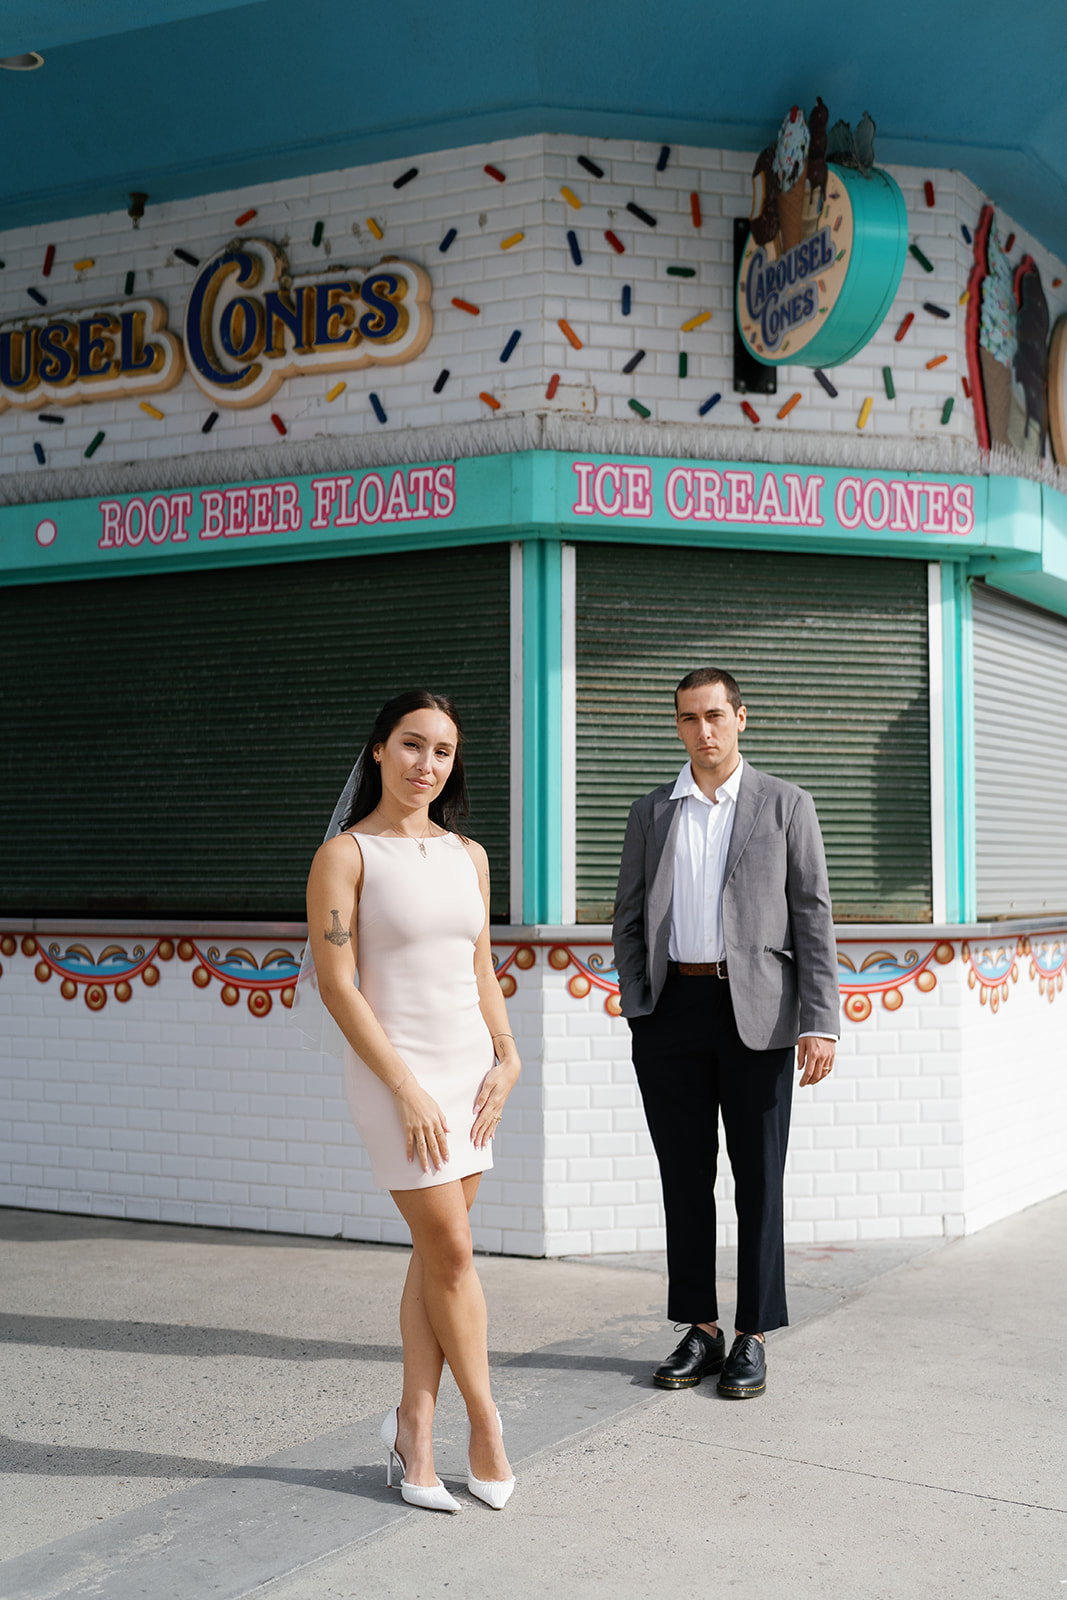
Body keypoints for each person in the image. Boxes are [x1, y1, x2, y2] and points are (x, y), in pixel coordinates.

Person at [302, 689, 520, 1510]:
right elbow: (337, 986)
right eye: (411, 745)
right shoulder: (347, 856)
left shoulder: (469, 855)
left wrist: (508, 1057)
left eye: (442, 751)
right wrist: (405, 1089)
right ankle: (488, 1425)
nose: (427, 764)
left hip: (469, 1077)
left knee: (438, 1255)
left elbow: (479, 969)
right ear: (378, 751)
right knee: (455, 1256)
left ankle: (413, 1431)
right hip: (396, 1080)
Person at [612, 668, 839, 1400]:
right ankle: (700, 1329)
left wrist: (819, 1020)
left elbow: (812, 916)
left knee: (758, 1181)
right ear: (677, 727)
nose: (702, 731)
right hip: (672, 1012)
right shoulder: (651, 812)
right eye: (687, 719)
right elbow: (628, 917)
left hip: (760, 1016)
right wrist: (639, 1001)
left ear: (741, 717)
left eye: (714, 716)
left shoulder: (785, 805)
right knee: (684, 1178)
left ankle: (753, 1335)